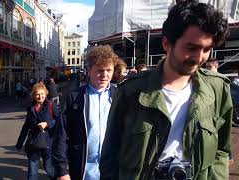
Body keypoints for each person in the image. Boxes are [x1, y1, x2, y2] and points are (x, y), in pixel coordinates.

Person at [100, 1, 231, 180]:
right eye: (191, 48)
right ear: (167, 44)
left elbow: (221, 151)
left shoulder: (218, 89)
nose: (199, 58)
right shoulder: (131, 91)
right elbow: (110, 155)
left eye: (207, 49)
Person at [53, 45, 118, 180]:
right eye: (100, 70)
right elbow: (61, 134)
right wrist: (62, 170)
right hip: (84, 170)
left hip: (112, 170)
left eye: (109, 70)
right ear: (89, 71)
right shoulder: (75, 97)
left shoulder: (119, 96)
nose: (105, 75)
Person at [16, 83, 60, 180]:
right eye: (37, 94)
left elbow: (59, 121)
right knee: (32, 173)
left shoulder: (51, 105)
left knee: (49, 169)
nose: (40, 96)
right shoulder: (31, 108)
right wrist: (20, 143)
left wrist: (48, 124)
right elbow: (26, 126)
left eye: (42, 94)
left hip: (48, 143)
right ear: (33, 95)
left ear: (46, 93)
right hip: (34, 143)